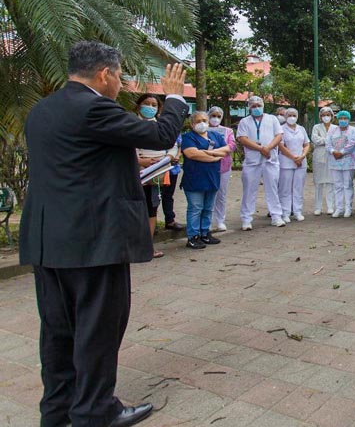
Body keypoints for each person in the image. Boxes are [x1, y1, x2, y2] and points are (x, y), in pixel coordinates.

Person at [19, 41, 189, 427]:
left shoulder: (43, 109)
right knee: (97, 327)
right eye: (120, 75)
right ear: (104, 74)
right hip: (92, 242)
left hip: (49, 240)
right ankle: (95, 412)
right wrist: (174, 97)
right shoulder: (93, 106)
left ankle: (58, 410)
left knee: (58, 332)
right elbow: (160, 135)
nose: (120, 83)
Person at [135, 94, 180, 258]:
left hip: (157, 174)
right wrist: (140, 160)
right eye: (146, 103)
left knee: (152, 209)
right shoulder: (132, 124)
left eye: (154, 104)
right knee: (135, 210)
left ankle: (148, 246)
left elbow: (173, 145)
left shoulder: (160, 126)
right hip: (136, 174)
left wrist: (168, 158)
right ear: (139, 106)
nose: (150, 107)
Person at [180, 111, 229, 249]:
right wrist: (214, 156)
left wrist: (207, 153)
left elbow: (226, 150)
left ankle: (205, 233)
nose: (202, 123)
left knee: (208, 208)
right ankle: (193, 236)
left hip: (212, 178)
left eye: (204, 120)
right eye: (198, 120)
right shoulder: (188, 137)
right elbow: (192, 154)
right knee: (196, 208)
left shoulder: (214, 135)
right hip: (195, 179)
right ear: (192, 123)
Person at [237, 95, 286, 230]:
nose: (256, 108)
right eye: (253, 106)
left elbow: (279, 135)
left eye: (259, 105)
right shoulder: (244, 122)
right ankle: (246, 219)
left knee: (272, 189)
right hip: (252, 161)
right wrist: (260, 148)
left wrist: (268, 148)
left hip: (270, 159)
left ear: (263, 106)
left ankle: (276, 216)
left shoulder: (272, 119)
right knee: (249, 190)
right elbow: (242, 138)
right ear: (249, 108)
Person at [278, 108, 311, 222]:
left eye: (294, 115)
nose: (292, 117)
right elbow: (281, 146)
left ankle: (297, 211)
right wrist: (293, 157)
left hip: (301, 162)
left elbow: (307, 144)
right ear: (286, 117)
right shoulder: (281, 129)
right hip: (286, 162)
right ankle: (285, 212)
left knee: (298, 188)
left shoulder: (301, 129)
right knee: (285, 188)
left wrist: (302, 156)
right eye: (289, 115)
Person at [208, 106, 237, 231]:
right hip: (207, 165)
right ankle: (207, 221)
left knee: (221, 194)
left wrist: (219, 151)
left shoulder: (227, 131)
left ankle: (220, 220)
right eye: (213, 115)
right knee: (208, 193)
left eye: (218, 116)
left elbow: (232, 145)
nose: (215, 118)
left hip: (223, 166)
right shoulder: (204, 129)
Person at [327, 110, 355, 218]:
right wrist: (333, 152)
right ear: (337, 119)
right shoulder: (332, 130)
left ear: (349, 119)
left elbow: (353, 143)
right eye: (341, 118)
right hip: (334, 161)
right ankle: (339, 208)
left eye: (345, 118)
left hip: (348, 161)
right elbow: (328, 144)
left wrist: (342, 152)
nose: (343, 120)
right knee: (337, 185)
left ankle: (348, 208)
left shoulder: (354, 130)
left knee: (347, 185)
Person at [311, 107, 336, 215]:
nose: (326, 117)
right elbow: (315, 139)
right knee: (318, 183)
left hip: (332, 156)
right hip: (319, 156)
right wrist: (328, 140)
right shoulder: (316, 127)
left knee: (331, 182)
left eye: (328, 115)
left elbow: (337, 141)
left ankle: (330, 206)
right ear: (320, 117)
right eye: (323, 115)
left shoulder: (335, 128)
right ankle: (318, 207)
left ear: (331, 116)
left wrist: (324, 140)